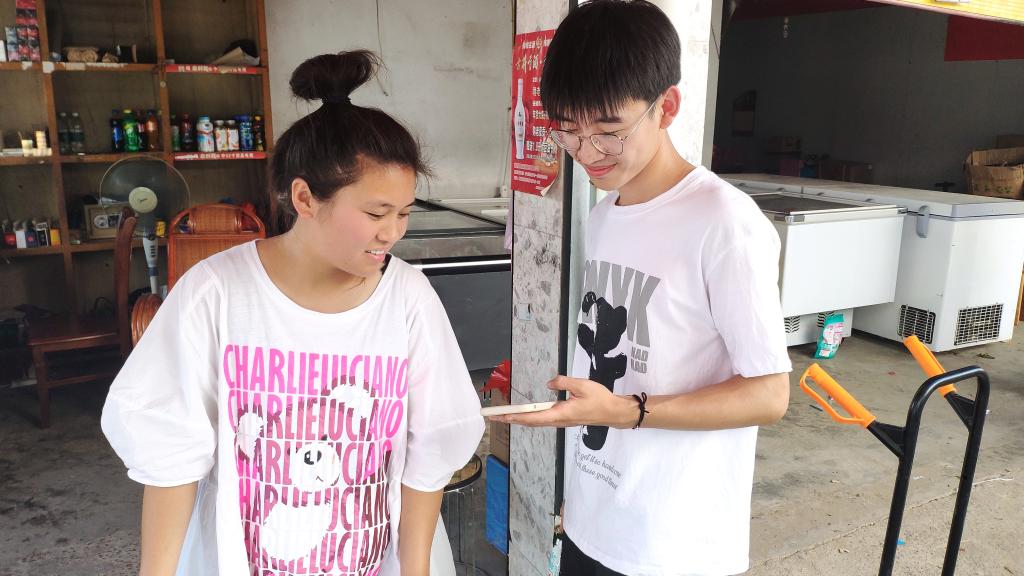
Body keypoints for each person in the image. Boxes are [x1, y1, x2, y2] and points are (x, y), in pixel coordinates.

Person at [102, 50, 484, 576]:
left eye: (403, 213)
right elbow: (170, 451)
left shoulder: (407, 298)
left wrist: (414, 570)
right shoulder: (217, 293)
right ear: (304, 198)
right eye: (376, 212)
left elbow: (432, 448)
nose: (392, 233)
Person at [493, 2, 792, 575]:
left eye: (609, 132)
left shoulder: (724, 223)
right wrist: (581, 497)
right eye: (569, 131)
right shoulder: (606, 214)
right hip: (595, 521)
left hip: (671, 546)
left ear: (667, 107)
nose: (588, 154)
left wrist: (624, 411)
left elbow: (768, 395)